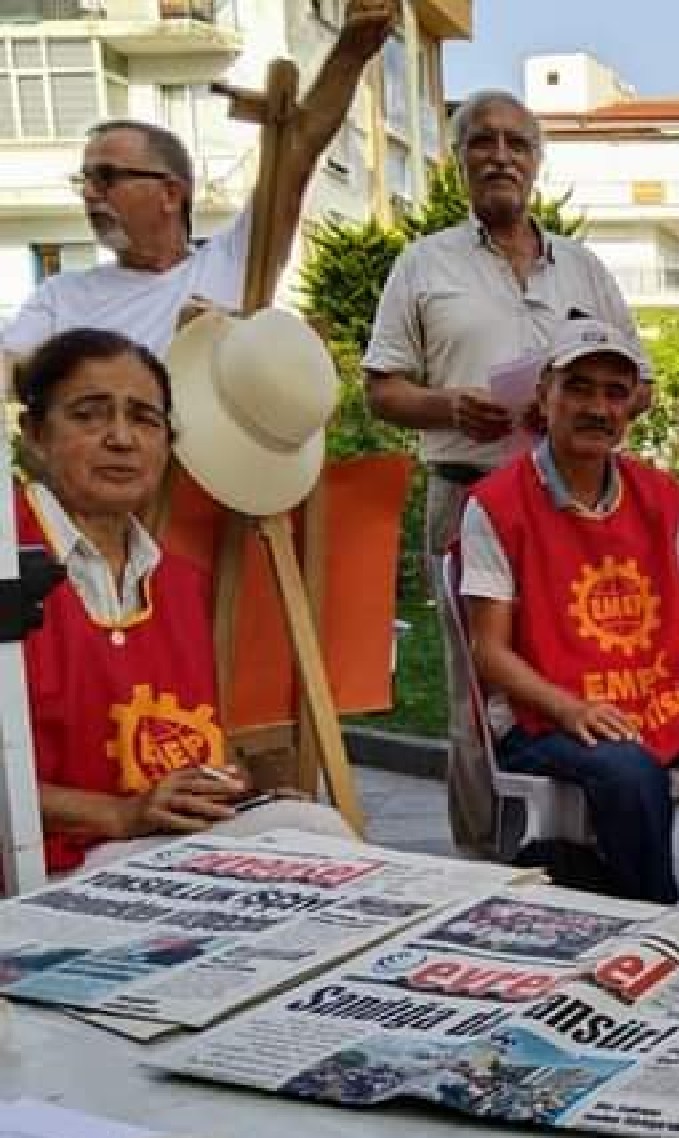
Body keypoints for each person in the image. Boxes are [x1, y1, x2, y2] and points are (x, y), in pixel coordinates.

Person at [364, 88, 637, 856]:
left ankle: (587, 851)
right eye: (482, 142)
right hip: (468, 495)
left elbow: (637, 381)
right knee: (477, 697)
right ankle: (483, 866)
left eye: (518, 143)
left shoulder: (584, 269)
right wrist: (451, 405)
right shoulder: (422, 264)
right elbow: (381, 389)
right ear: (458, 162)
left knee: (591, 668)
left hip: (577, 506)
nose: (500, 156)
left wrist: (578, 408)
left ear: (537, 162)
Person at [457, 316, 679, 904]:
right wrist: (569, 709)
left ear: (632, 407)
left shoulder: (659, 494)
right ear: (545, 394)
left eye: (615, 392)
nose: (599, 407)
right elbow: (489, 651)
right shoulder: (495, 504)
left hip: (658, 695)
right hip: (548, 710)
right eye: (580, 387)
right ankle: (656, 924)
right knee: (629, 771)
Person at [14, 329, 352, 885]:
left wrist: (239, 794)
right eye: (90, 415)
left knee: (312, 830)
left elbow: (176, 743)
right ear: (34, 433)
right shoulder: (9, 558)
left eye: (145, 419)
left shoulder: (176, 582)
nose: (121, 438)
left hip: (151, 848)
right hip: (43, 864)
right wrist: (120, 814)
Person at [2, 0, 396, 360]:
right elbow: (12, 369)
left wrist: (350, 54)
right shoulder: (60, 297)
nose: (90, 194)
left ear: (171, 194)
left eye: (107, 177)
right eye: (84, 179)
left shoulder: (233, 261)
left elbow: (298, 152)